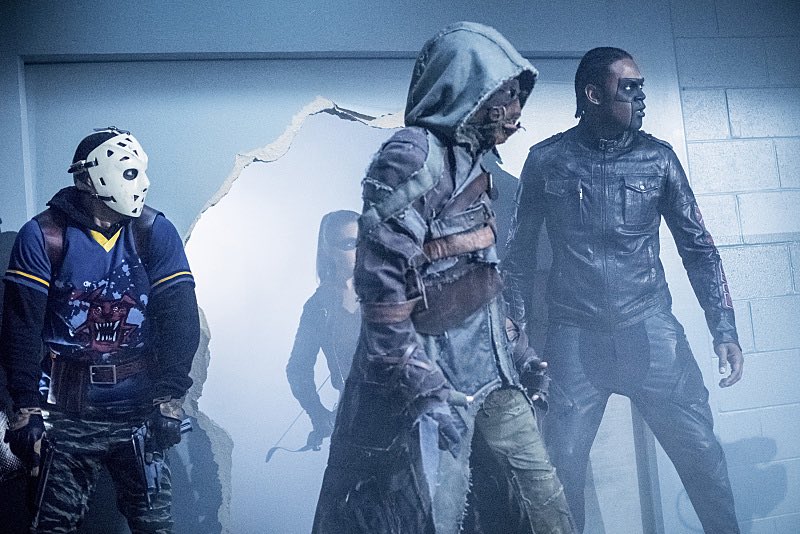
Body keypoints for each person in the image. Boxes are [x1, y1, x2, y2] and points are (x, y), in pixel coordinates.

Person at [312, 22, 574, 534]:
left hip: (492, 377)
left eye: (517, 96)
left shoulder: (473, 161)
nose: (515, 110)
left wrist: (519, 353)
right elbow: (383, 292)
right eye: (505, 95)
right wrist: (421, 384)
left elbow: (481, 279)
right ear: (466, 89)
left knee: (546, 509)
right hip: (427, 387)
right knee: (432, 518)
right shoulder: (411, 157)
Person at [503, 47, 743, 533]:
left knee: (702, 458)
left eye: (641, 88)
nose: (640, 98)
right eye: (628, 88)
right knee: (559, 473)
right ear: (593, 94)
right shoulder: (547, 160)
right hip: (574, 335)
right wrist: (517, 334)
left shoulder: (658, 159)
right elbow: (518, 257)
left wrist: (724, 328)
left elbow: (699, 248)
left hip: (649, 328)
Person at [1, 127, 200, 533]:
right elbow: (20, 327)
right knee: (51, 525)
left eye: (141, 171)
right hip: (64, 414)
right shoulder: (44, 235)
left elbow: (180, 317)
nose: (142, 184)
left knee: (154, 525)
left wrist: (170, 398)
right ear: (86, 180)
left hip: (139, 410)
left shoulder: (153, 231)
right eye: (129, 172)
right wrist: (25, 409)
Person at [286, 209, 360, 448]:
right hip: (355, 424)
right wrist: (319, 416)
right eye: (350, 244)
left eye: (366, 239)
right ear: (329, 250)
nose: (361, 249)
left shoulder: (392, 289)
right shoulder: (319, 307)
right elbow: (298, 369)